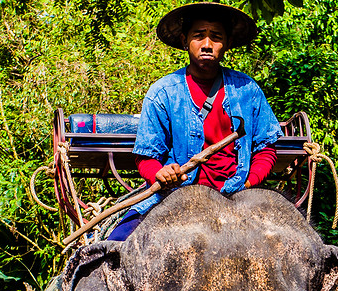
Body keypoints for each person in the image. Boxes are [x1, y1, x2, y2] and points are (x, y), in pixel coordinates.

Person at [108, 2, 282, 241]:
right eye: (199, 36)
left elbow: (266, 148)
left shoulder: (247, 90)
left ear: (227, 44)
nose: (207, 45)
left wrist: (249, 182)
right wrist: (161, 173)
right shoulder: (163, 92)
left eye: (216, 37)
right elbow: (146, 156)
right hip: (177, 194)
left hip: (237, 193)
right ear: (184, 40)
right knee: (117, 243)